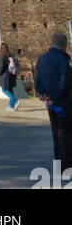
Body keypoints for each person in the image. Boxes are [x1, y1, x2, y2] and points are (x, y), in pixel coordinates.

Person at [34, 31, 72, 172]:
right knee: (66, 135)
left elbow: (37, 78)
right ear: (65, 45)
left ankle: (58, 166)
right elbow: (64, 82)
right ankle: (67, 167)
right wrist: (55, 97)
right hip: (63, 101)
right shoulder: (62, 60)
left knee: (56, 134)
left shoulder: (42, 58)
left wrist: (43, 94)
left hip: (50, 101)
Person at [0, 42, 19, 112]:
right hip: (11, 75)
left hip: (5, 76)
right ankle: (11, 106)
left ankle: (15, 101)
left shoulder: (2, 57)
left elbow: (1, 67)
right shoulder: (11, 56)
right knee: (10, 90)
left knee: (4, 90)